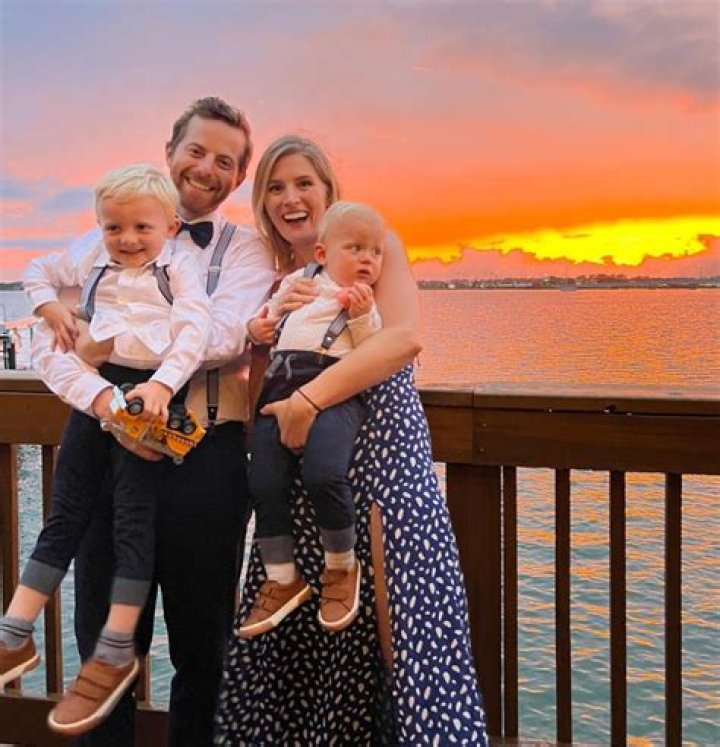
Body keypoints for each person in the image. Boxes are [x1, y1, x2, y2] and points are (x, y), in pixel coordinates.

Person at [215, 135, 488, 744]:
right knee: (308, 637)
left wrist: (310, 400)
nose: (290, 198)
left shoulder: (372, 244)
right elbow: (263, 379)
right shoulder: (281, 281)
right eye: (275, 188)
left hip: (383, 467)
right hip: (304, 481)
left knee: (401, 631)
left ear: (328, 190)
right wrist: (265, 335)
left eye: (303, 184)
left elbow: (402, 339)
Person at [22, 97, 276, 746]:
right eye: (196, 150)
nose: (207, 168)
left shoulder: (246, 250)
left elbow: (222, 336)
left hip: (206, 459)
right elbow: (53, 329)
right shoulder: (107, 232)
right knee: (103, 645)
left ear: (238, 176)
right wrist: (100, 366)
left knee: (203, 648)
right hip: (107, 446)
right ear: (169, 152)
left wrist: (109, 337)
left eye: (225, 160)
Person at [0, 163, 211, 735]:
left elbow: (194, 330)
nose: (127, 239)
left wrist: (163, 385)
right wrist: (45, 306)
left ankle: (116, 649)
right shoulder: (92, 254)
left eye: (142, 227)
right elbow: (38, 270)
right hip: (97, 394)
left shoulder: (180, 266)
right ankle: (15, 633)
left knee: (131, 526)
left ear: (169, 226)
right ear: (99, 226)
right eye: (114, 227)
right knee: (64, 513)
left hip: (148, 396)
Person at [237, 201, 385, 639]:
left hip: (334, 395)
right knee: (263, 482)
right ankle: (283, 578)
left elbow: (372, 354)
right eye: (355, 249)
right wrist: (260, 324)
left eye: (375, 252)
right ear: (323, 254)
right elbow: (264, 322)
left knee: (324, 473)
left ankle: (341, 567)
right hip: (278, 390)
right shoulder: (297, 282)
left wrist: (362, 317)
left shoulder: (365, 302)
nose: (367, 259)